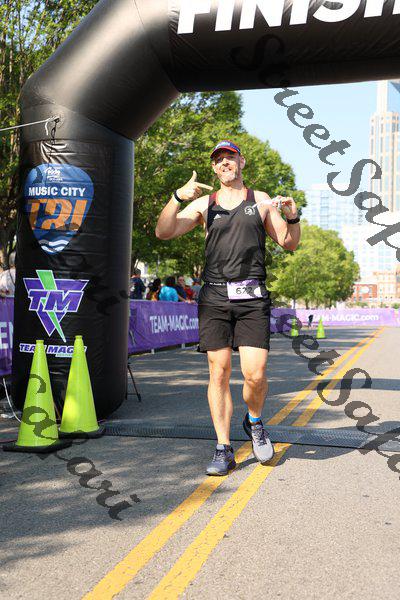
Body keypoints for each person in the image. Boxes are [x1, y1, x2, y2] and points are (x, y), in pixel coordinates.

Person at [155, 139, 300, 475]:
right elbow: (164, 232)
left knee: (255, 374)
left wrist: (293, 217)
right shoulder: (204, 204)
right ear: (213, 167)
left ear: (241, 162)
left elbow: (289, 242)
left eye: (230, 157)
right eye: (218, 159)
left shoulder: (260, 200)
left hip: (252, 297)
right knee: (218, 372)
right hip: (215, 297)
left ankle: (254, 421)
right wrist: (177, 197)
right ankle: (223, 447)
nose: (224, 162)